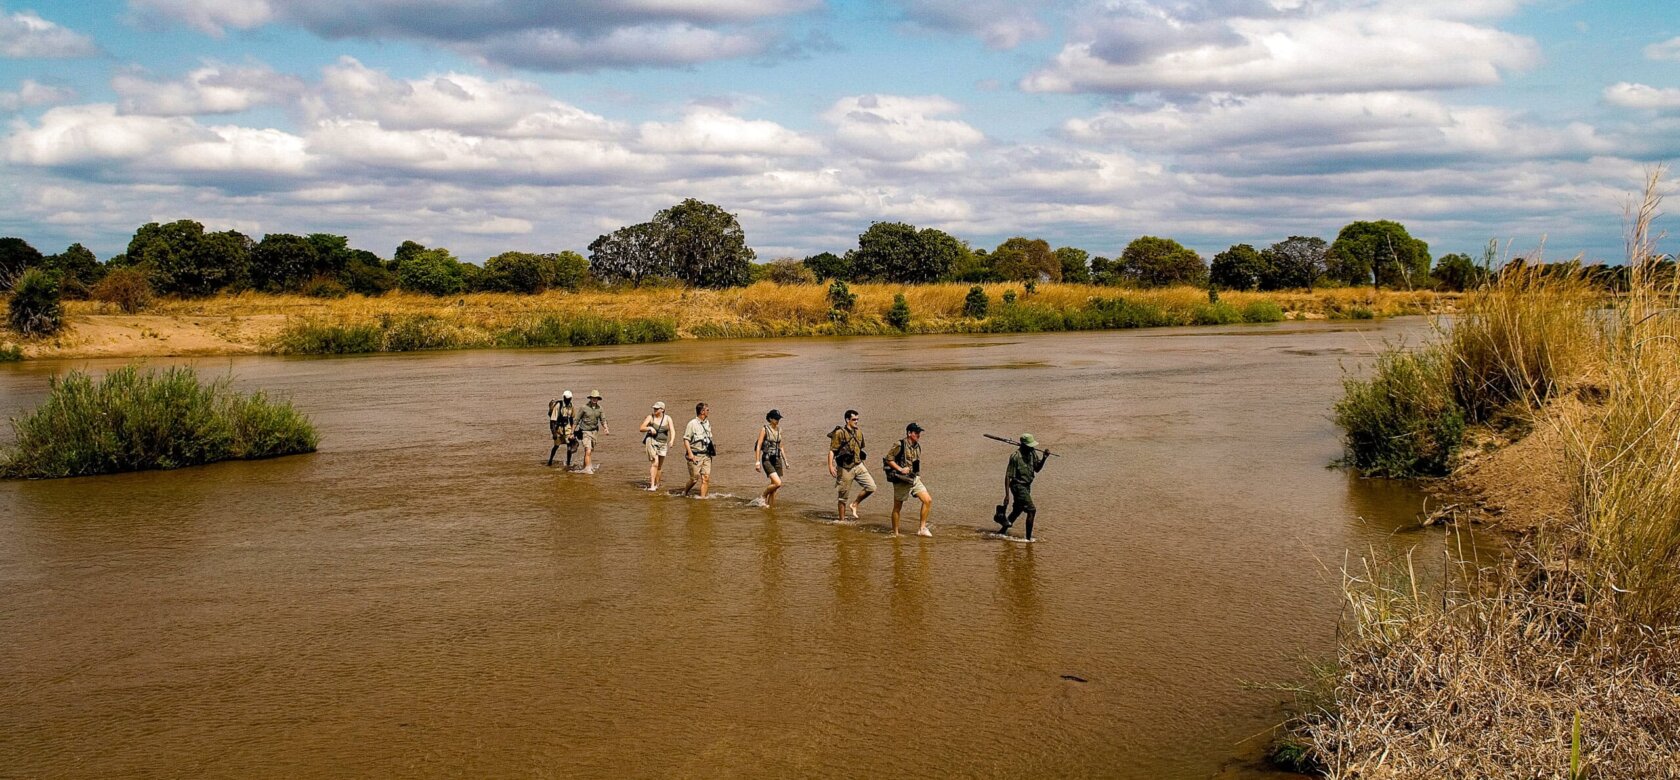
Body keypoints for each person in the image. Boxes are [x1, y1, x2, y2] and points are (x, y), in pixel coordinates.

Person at [1000, 433, 1050, 541]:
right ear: (1023, 445)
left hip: (1027, 486)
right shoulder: (1015, 456)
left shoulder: (1032, 453)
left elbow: (1037, 469)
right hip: (1018, 486)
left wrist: (1044, 458)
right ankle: (1028, 539)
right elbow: (1008, 476)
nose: (1032, 447)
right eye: (1030, 445)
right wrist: (1007, 495)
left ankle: (1001, 532)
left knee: (1018, 510)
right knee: (1032, 510)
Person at [885, 422, 931, 537]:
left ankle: (922, 528)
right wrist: (900, 469)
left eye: (919, 433)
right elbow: (888, 459)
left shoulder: (917, 446)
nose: (918, 435)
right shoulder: (899, 445)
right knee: (897, 507)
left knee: (927, 500)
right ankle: (895, 533)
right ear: (909, 433)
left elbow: (916, 462)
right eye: (916, 433)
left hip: (914, 478)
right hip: (901, 480)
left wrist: (917, 475)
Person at [827, 409, 874, 522]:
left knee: (871, 486)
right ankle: (842, 520)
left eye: (857, 419)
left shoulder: (859, 432)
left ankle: (855, 504)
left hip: (858, 465)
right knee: (843, 497)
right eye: (854, 419)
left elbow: (860, 448)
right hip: (845, 467)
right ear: (847, 420)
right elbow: (832, 451)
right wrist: (830, 466)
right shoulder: (840, 433)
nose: (856, 422)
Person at [753, 409, 788, 508]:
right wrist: (757, 462)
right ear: (770, 419)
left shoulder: (779, 430)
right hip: (767, 459)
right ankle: (763, 495)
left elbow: (781, 446)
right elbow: (759, 446)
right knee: (778, 483)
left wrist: (785, 461)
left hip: (777, 459)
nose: (778, 420)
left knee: (774, 489)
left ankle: (770, 509)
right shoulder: (764, 429)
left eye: (779, 418)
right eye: (776, 418)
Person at [681, 402, 714, 498]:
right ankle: (685, 492)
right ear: (702, 411)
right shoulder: (692, 424)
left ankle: (702, 499)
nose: (709, 411)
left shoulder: (707, 423)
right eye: (707, 410)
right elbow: (686, 440)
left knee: (706, 478)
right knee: (694, 479)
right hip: (695, 455)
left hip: (707, 455)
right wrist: (690, 454)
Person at [639, 401, 674, 491]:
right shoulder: (650, 417)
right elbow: (641, 428)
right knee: (655, 463)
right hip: (651, 441)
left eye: (657, 409)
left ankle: (657, 484)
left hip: (663, 443)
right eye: (654, 408)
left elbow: (672, 430)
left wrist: (672, 440)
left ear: (662, 410)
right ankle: (652, 485)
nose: (655, 410)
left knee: (659, 466)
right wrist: (649, 428)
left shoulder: (667, 418)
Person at [576, 390, 609, 473]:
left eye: (596, 398)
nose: (594, 399)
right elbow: (576, 420)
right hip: (585, 431)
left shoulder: (600, 409)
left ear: (598, 399)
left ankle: (585, 467)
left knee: (589, 451)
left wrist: (606, 428)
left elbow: (603, 419)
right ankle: (588, 470)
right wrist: (571, 432)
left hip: (594, 432)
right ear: (590, 398)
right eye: (593, 398)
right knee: (588, 450)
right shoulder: (584, 407)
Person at [547, 390, 577, 468]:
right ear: (564, 398)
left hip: (567, 428)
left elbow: (572, 419)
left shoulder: (571, 406)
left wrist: (572, 431)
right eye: (567, 398)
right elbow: (552, 421)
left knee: (569, 446)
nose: (568, 400)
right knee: (556, 446)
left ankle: (568, 463)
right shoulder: (558, 406)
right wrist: (553, 433)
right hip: (558, 429)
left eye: (570, 398)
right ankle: (550, 460)